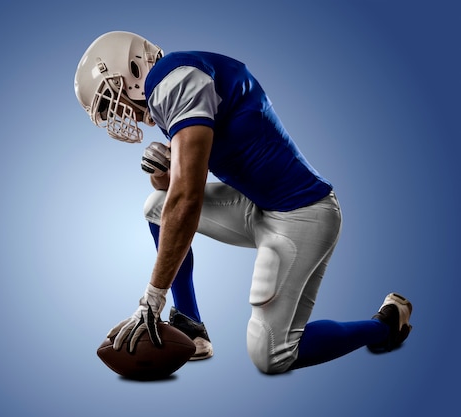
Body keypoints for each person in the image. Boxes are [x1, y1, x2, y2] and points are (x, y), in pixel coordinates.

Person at [74, 31, 413, 373]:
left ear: (132, 67)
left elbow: (187, 197)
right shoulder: (173, 89)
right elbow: (173, 188)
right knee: (156, 206)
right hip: (259, 204)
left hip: (303, 213)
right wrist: (161, 170)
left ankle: (385, 326)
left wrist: (152, 298)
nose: (119, 114)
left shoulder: (172, 77)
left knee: (272, 355)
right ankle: (190, 322)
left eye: (109, 99)